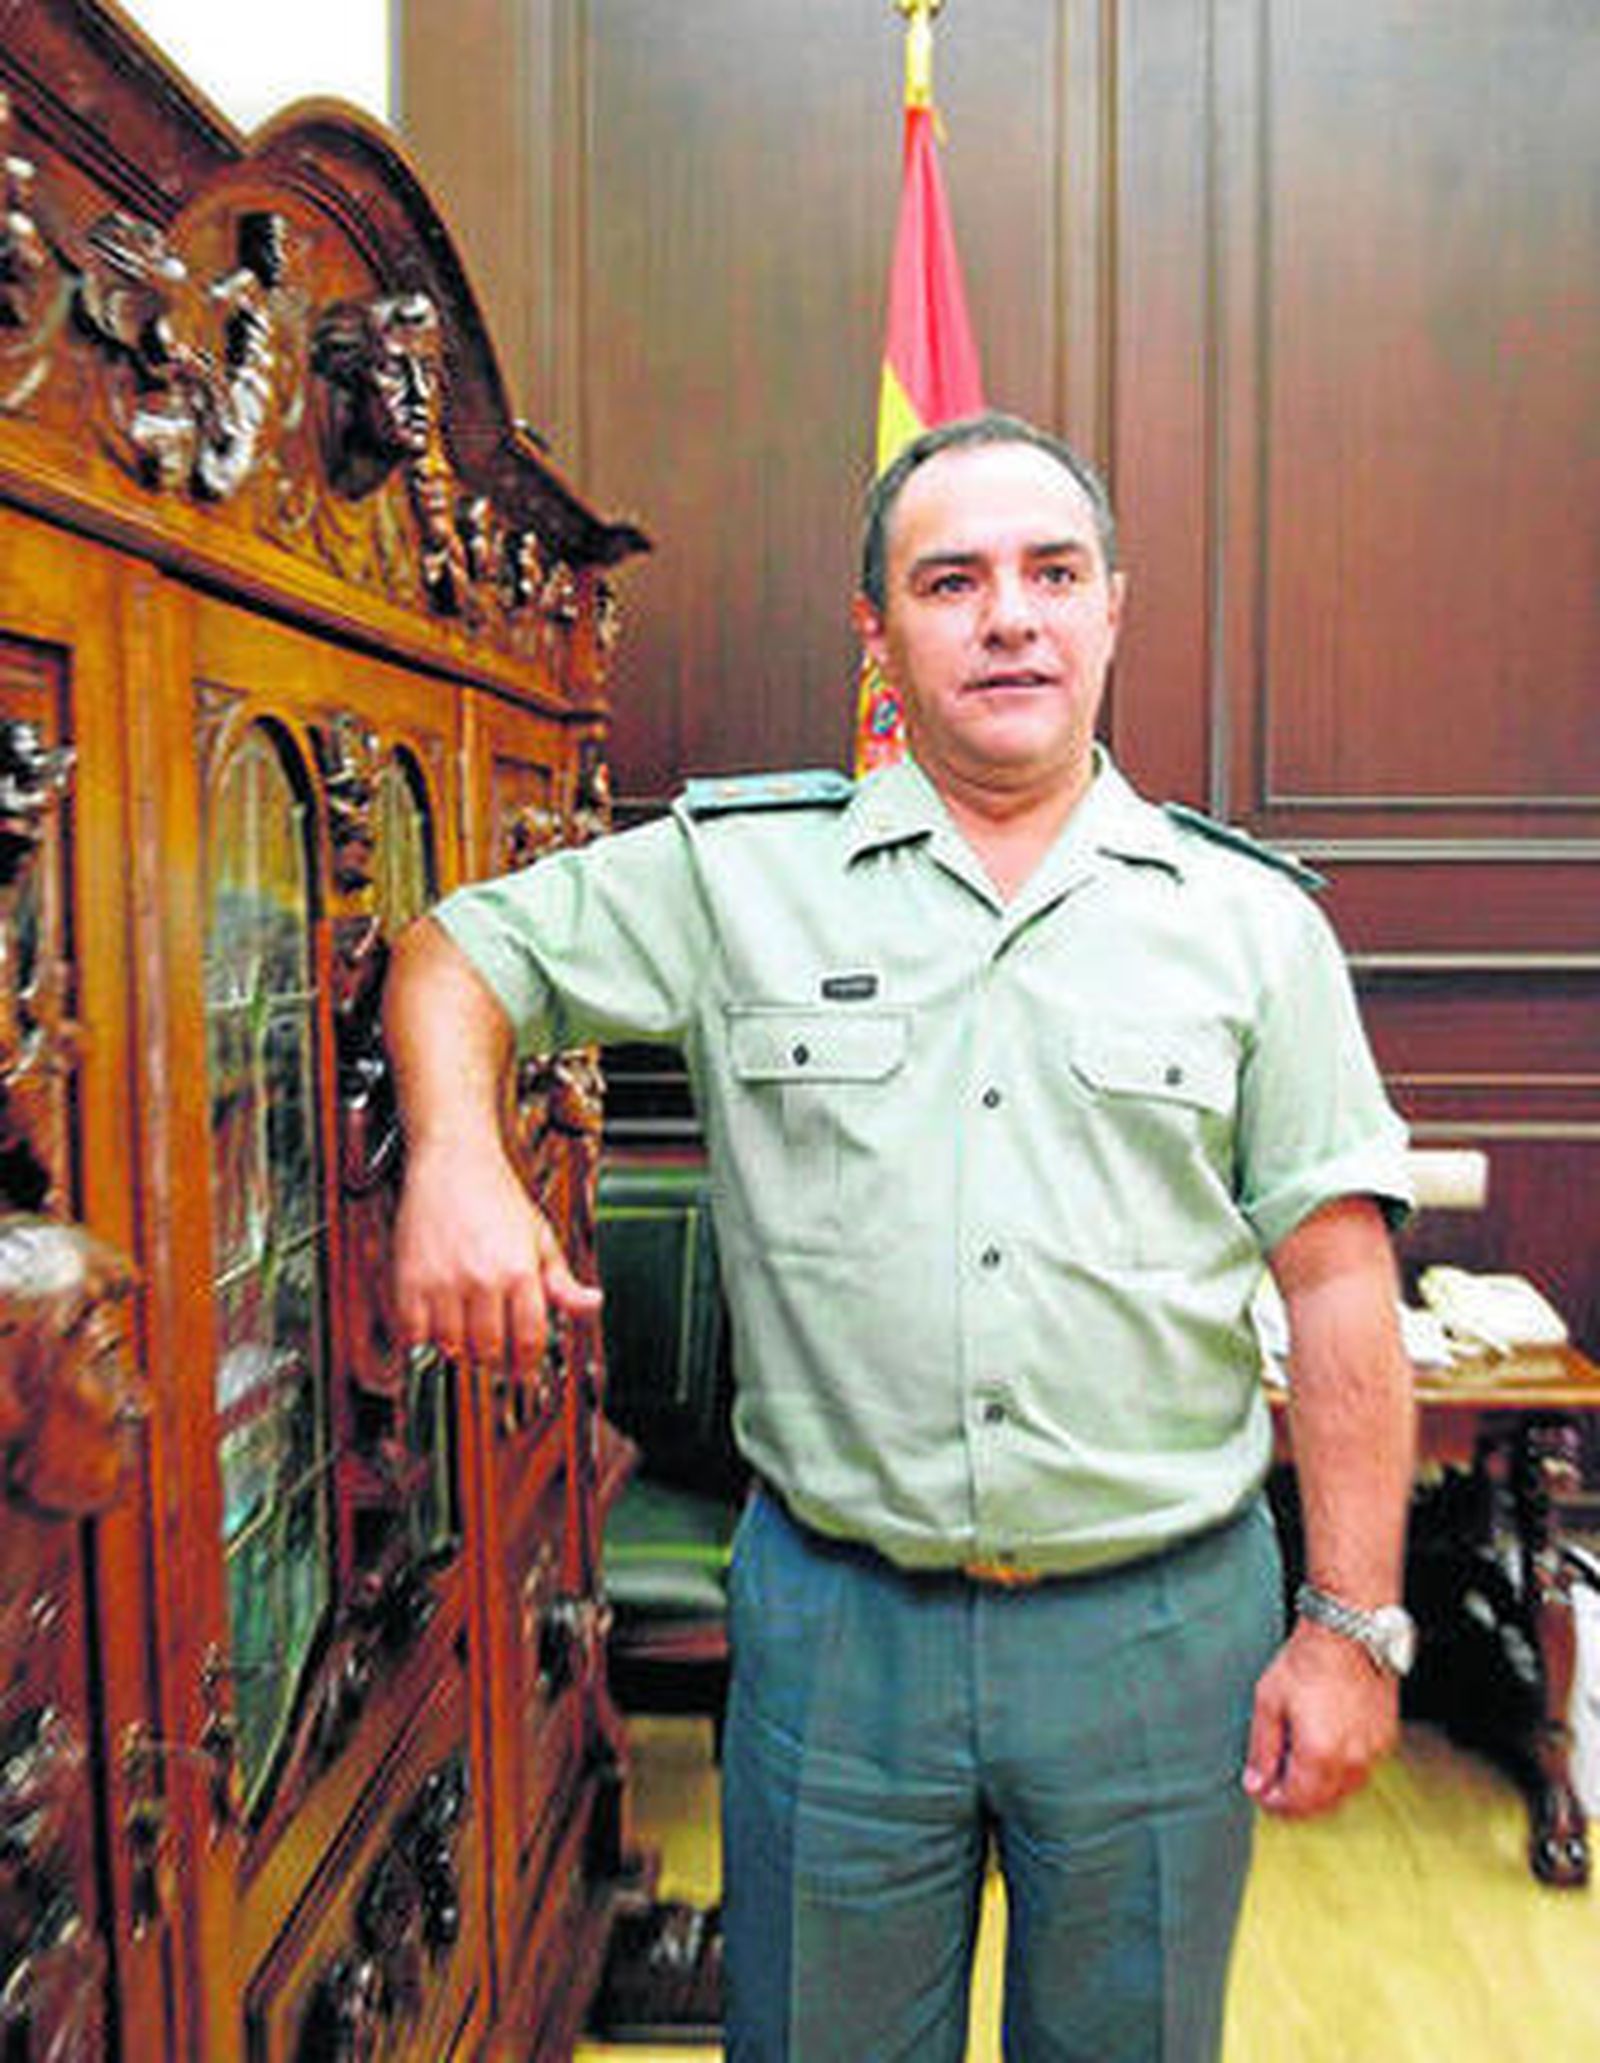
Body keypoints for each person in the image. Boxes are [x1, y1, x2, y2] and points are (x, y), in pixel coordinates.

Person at [386, 411, 1417, 2062]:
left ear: (1110, 608)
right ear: (878, 630)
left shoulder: (1251, 925)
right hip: (841, 1626)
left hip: (1160, 1633)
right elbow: (457, 952)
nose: (1010, 617)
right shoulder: (740, 878)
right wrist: (454, 1158)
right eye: (953, 581)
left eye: (1052, 574)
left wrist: (1353, 1627)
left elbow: (1339, 1279)